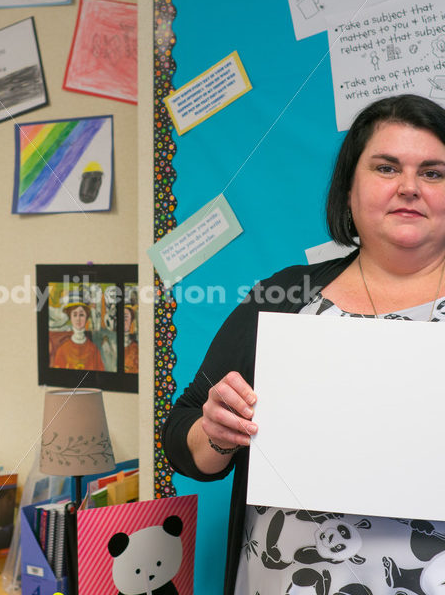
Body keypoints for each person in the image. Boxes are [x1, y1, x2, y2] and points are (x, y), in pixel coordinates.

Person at [162, 94, 445, 595]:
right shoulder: (286, 294)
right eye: (386, 168)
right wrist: (218, 432)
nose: (408, 187)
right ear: (350, 189)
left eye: (433, 173)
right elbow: (184, 439)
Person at [51, 292, 105, 371]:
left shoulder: (93, 350)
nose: (78, 319)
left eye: (81, 315)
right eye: (75, 315)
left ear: (87, 316)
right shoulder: (62, 350)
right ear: (70, 317)